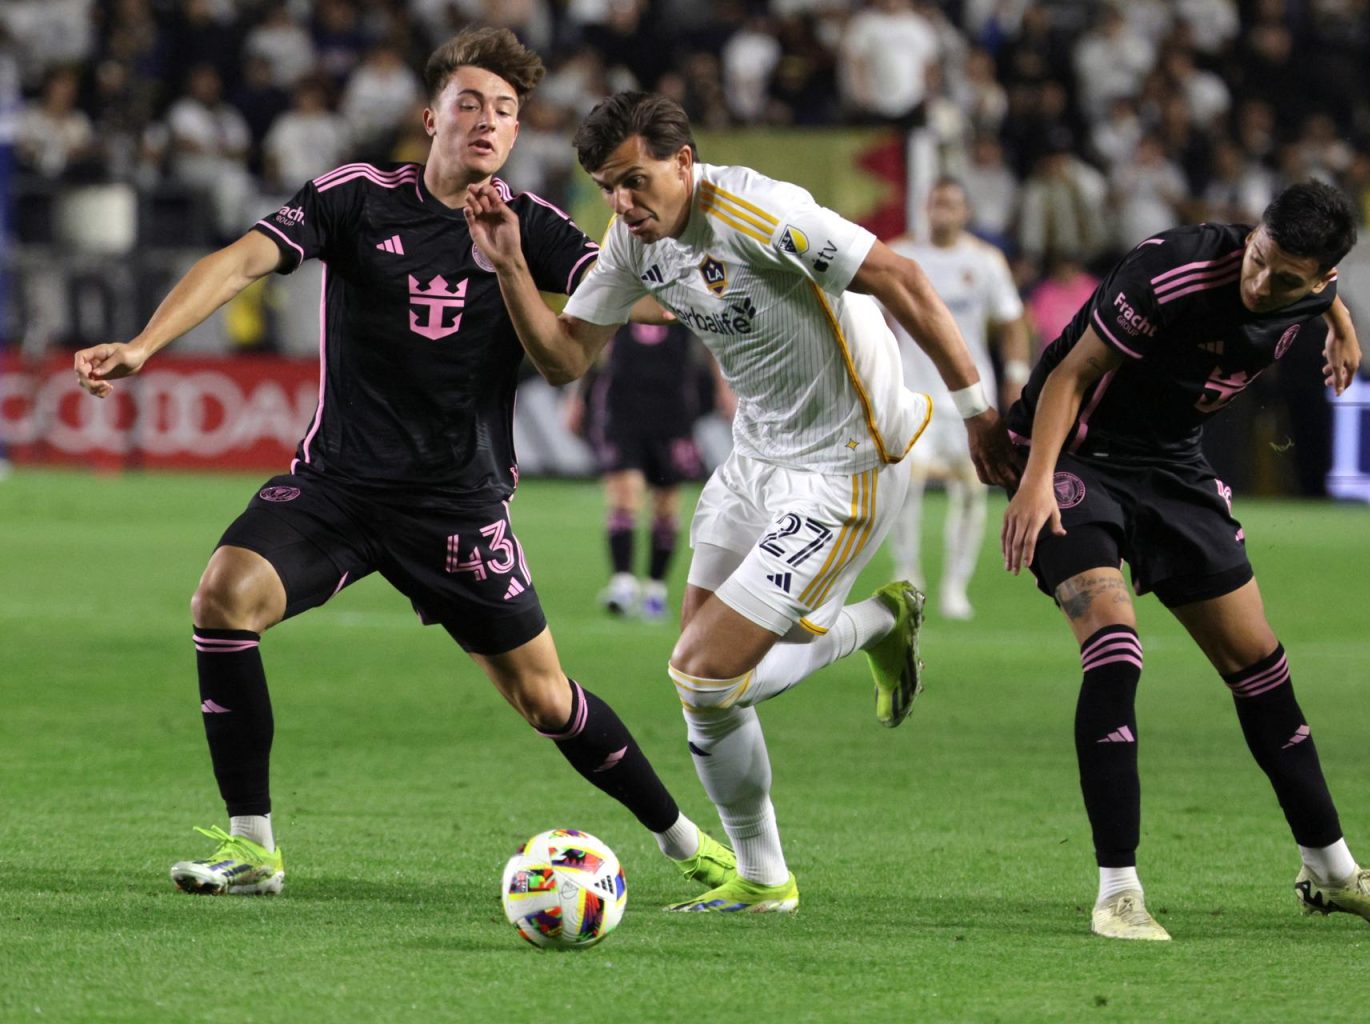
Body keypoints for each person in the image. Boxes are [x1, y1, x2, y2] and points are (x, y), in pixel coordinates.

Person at [72, 29, 733, 899]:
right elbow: (240, 262)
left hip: (458, 504)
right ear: (431, 117)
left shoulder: (531, 226)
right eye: (470, 104)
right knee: (222, 597)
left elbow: (627, 300)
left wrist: (721, 286)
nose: (488, 122)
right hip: (338, 486)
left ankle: (690, 846)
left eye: (505, 110)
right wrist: (146, 344)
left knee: (544, 699)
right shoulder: (355, 199)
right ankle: (254, 848)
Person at [463, 91, 1018, 912]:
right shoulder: (633, 241)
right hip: (755, 460)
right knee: (705, 676)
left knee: (704, 676)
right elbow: (564, 360)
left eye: (636, 179)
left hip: (847, 465)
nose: (623, 201)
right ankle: (765, 875)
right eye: (609, 186)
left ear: (684, 162)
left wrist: (979, 416)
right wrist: (510, 265)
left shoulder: (765, 215)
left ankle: (867, 629)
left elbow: (899, 278)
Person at [1000, 180, 1370, 940]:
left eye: (1292, 281)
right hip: (1075, 456)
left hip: (1173, 467)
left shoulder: (1309, 289)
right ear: (1254, 235)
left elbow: (1317, 292)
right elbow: (1071, 373)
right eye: (1261, 259)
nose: (1263, 282)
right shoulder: (1171, 272)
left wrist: (1340, 322)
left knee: (1260, 664)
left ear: (1323, 279)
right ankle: (1118, 891)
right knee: (1114, 646)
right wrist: (1034, 482)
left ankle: (1332, 871)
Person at [886, 178, 1031, 620]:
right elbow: (871, 321)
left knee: (970, 493)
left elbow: (1011, 322)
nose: (942, 211)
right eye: (936, 203)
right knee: (903, 489)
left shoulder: (985, 261)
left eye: (951, 203)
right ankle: (909, 573)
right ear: (925, 208)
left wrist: (1017, 375)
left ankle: (955, 585)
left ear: (965, 211)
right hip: (912, 395)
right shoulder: (898, 255)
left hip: (968, 397)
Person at [568, 319, 722, 620]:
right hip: (622, 410)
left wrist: (722, 388)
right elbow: (594, 342)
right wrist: (577, 397)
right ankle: (622, 582)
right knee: (624, 496)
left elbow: (711, 342)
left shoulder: (681, 295)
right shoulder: (623, 289)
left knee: (666, 506)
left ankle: (655, 589)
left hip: (672, 412)